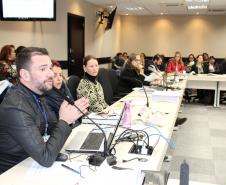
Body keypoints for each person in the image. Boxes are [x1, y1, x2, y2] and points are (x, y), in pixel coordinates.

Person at [0, 47, 89, 173]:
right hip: (14, 172)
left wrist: (70, 116)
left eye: (49, 68)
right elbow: (45, 158)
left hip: (32, 163)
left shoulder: (37, 93)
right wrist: (64, 120)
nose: (51, 74)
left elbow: (51, 127)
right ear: (25, 75)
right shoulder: (15, 107)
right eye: (43, 69)